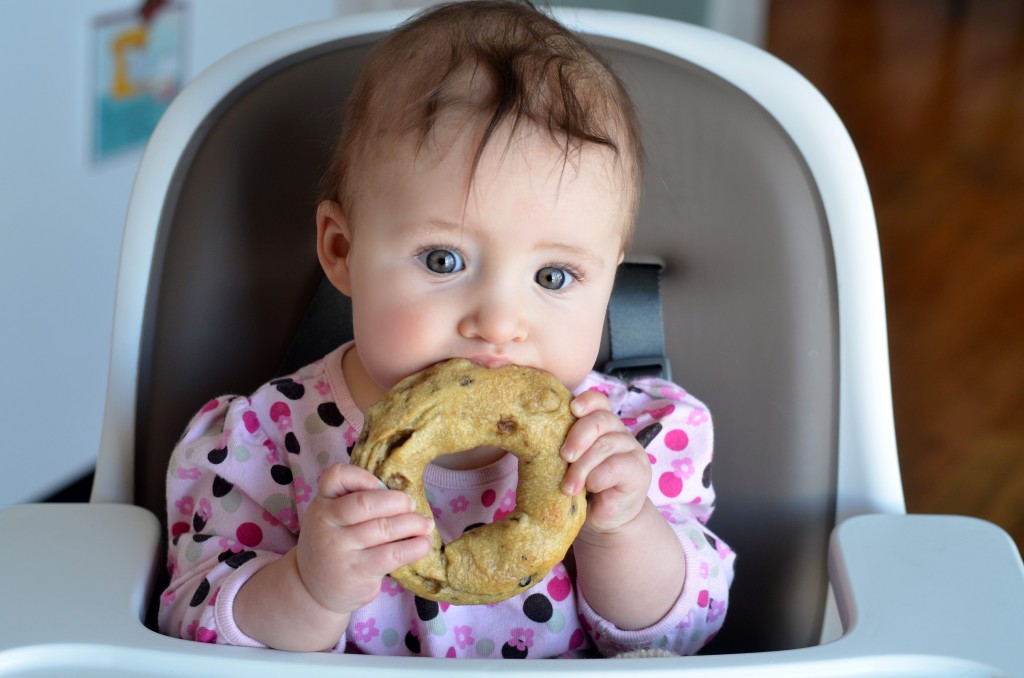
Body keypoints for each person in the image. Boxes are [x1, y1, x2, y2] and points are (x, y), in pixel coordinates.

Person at [159, 0, 734, 659]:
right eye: (443, 260)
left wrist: (623, 532)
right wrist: (308, 589)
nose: (498, 322)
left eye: (553, 276)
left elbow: (683, 638)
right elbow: (191, 636)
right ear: (341, 250)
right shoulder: (261, 446)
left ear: (609, 279)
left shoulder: (638, 442)